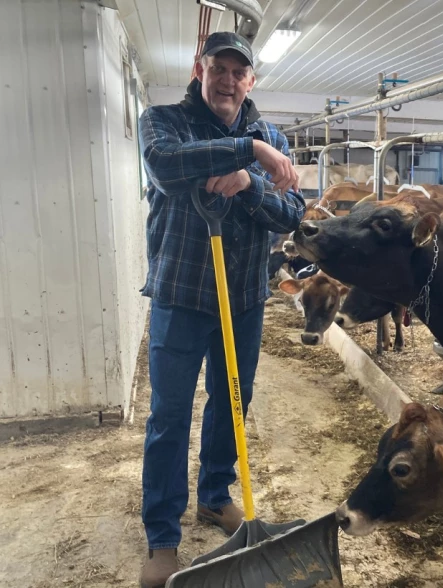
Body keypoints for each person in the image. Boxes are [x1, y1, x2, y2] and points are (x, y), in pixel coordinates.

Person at [136, 31, 305, 588]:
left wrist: (249, 183)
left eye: (238, 72)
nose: (228, 80)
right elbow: (165, 165)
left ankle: (214, 495)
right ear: (199, 70)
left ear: (250, 80)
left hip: (245, 299)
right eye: (219, 69)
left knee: (233, 402)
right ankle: (162, 534)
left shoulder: (273, 134)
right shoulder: (163, 122)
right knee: (169, 415)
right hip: (181, 297)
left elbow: (291, 212)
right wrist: (250, 152)